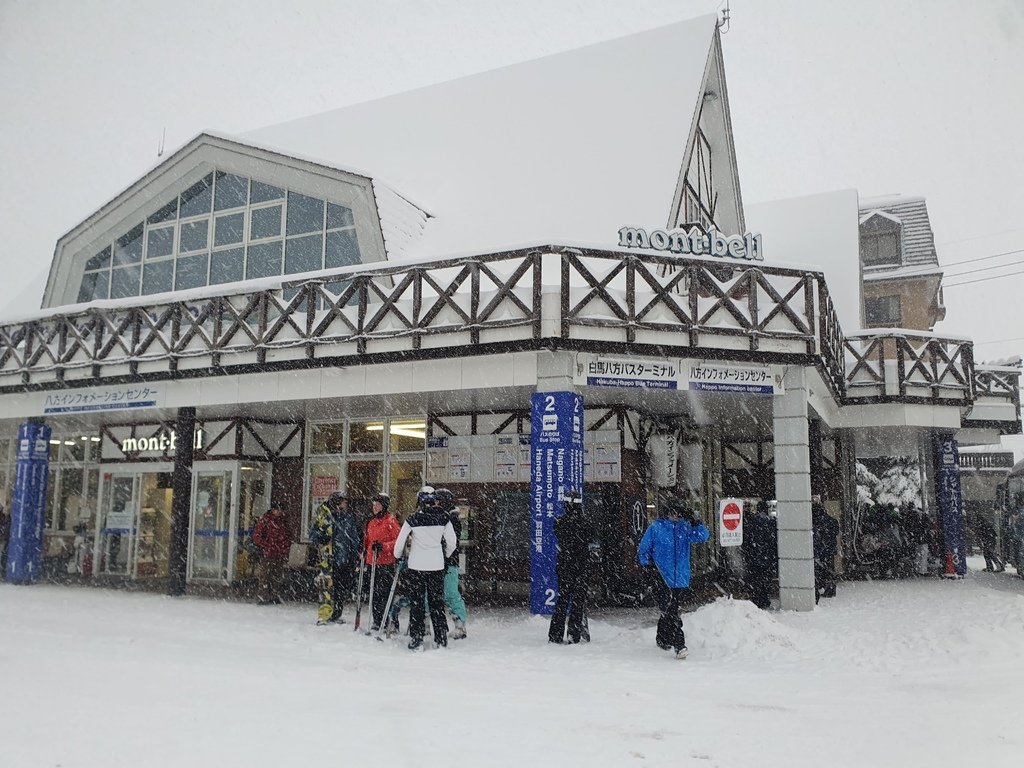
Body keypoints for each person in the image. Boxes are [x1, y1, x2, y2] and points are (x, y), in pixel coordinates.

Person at [637, 494, 710, 660]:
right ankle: (679, 644)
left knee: (670, 609)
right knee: (672, 611)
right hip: (661, 577)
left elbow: (703, 536)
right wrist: (648, 568)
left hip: (680, 578)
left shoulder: (685, 527)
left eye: (680, 512)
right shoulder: (656, 528)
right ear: (667, 511)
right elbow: (643, 549)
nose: (676, 515)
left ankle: (662, 639)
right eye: (674, 511)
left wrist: (695, 521)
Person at [393, 486, 457, 650]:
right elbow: (452, 542)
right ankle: (441, 639)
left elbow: (399, 543)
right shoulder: (444, 517)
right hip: (436, 566)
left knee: (417, 604)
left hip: (416, 566)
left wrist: (397, 556)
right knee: (437, 603)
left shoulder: (412, 518)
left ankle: (416, 638)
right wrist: (445, 556)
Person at [309, 491, 361, 625]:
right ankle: (324, 615)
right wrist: (320, 537)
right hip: (329, 559)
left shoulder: (347, 517)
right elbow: (313, 533)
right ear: (336, 502)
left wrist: (355, 554)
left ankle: (336, 614)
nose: (345, 504)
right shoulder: (324, 515)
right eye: (343, 502)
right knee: (326, 587)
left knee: (341, 588)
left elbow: (353, 537)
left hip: (345, 558)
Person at [548, 496, 590, 644]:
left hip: (565, 566)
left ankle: (555, 634)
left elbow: (559, 534)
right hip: (581, 567)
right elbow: (590, 538)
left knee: (562, 600)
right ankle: (574, 634)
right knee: (577, 602)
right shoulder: (585, 523)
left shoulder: (560, 522)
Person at [362, 492, 401, 631]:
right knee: (374, 593)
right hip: (372, 562)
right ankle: (377, 620)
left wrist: (384, 546)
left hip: (386, 563)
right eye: (373, 505)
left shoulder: (391, 521)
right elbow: (367, 540)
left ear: (383, 506)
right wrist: (364, 550)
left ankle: (389, 620)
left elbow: (398, 541)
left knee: (384, 593)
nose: (374, 507)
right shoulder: (371, 522)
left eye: (377, 504)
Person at [434, 488, 469, 640]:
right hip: (436, 561)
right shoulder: (440, 516)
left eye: (437, 500)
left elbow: (450, 542)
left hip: (449, 562)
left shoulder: (452, 518)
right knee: (433, 594)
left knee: (450, 593)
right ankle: (430, 625)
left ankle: (460, 624)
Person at [742, 499, 778, 610]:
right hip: (767, 557)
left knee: (756, 579)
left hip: (754, 557)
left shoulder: (751, 521)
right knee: (766, 580)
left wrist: (748, 554)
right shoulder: (772, 522)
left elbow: (747, 540)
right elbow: (774, 541)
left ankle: (757, 599)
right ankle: (765, 599)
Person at [252, 504, 291, 605]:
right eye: (278, 510)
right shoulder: (266, 521)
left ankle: (274, 596)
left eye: (281, 510)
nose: (280, 512)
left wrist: (284, 548)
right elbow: (257, 536)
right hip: (268, 553)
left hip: (279, 553)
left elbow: (287, 536)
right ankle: (263, 597)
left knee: (276, 576)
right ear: (273, 510)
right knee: (265, 575)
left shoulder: (283, 521)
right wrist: (267, 546)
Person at [811, 496, 840, 602]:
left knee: (820, 570)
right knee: (830, 569)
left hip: (821, 549)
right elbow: (836, 532)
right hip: (829, 549)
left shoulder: (815, 522)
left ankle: (821, 587)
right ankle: (830, 589)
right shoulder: (832, 521)